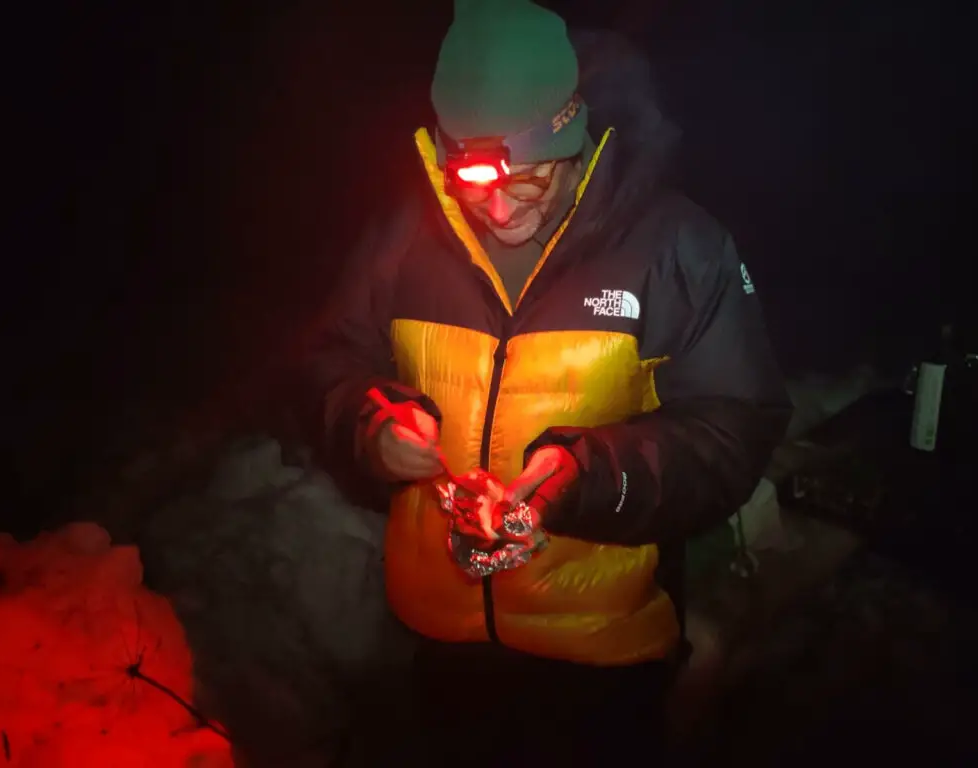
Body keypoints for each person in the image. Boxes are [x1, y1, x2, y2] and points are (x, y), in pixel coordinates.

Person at [298, 1, 792, 764]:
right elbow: (333, 360)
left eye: (524, 184)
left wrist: (582, 476)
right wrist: (374, 426)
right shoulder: (402, 237)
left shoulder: (678, 248)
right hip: (437, 646)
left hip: (605, 656)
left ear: (573, 136)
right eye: (471, 185)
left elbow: (735, 426)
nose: (497, 213)